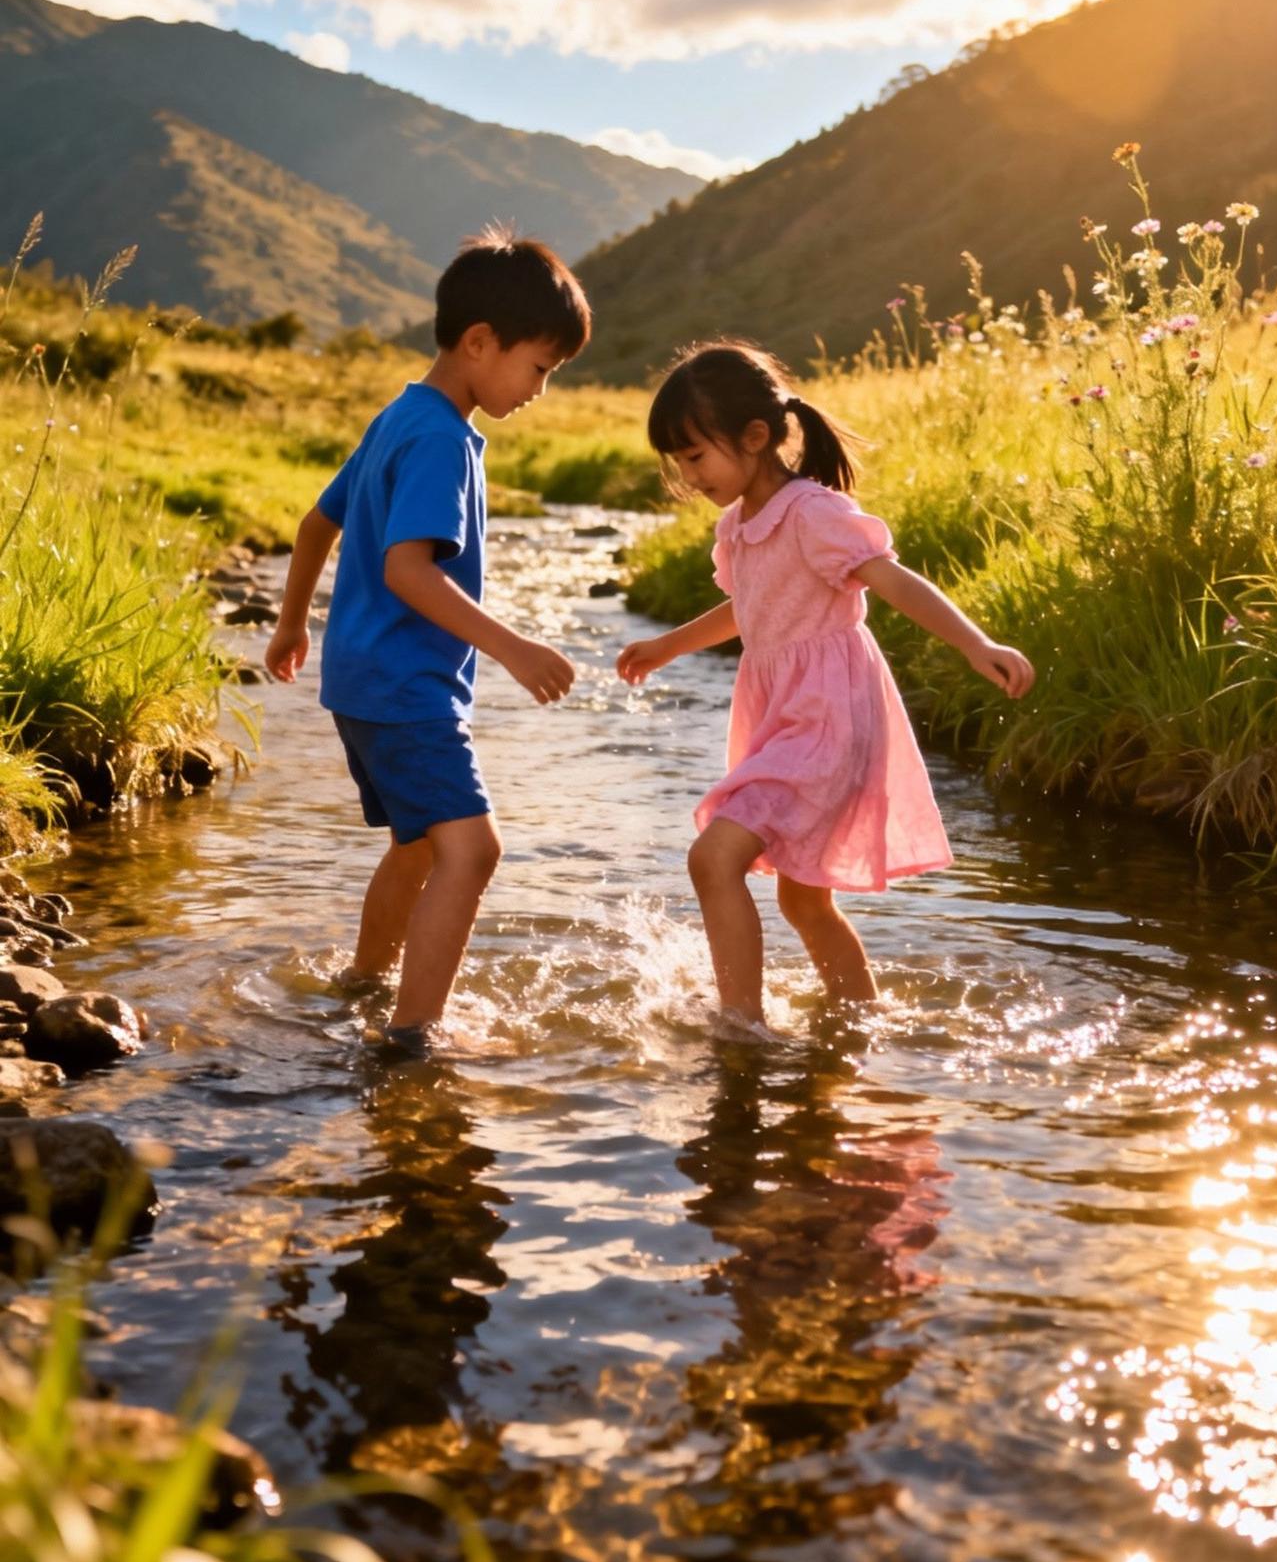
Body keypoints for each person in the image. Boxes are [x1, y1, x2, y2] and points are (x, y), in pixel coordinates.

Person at [616, 340, 1035, 1025]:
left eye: (695, 456)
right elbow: (746, 608)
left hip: (828, 717)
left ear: (755, 437)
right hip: (786, 715)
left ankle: (741, 1027)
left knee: (713, 857)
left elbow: (892, 577)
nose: (688, 475)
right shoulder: (738, 527)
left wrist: (974, 642)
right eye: (679, 461)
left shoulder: (812, 511)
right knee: (802, 898)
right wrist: (667, 645)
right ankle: (857, 1018)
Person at [265, 228, 591, 1043]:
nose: (540, 390)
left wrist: (292, 622)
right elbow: (410, 570)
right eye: (541, 367)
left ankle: (364, 984)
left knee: (417, 847)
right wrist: (514, 647)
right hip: (408, 687)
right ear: (480, 342)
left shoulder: (399, 417)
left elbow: (314, 526)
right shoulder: (442, 438)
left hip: (359, 682)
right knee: (473, 852)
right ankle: (413, 1036)